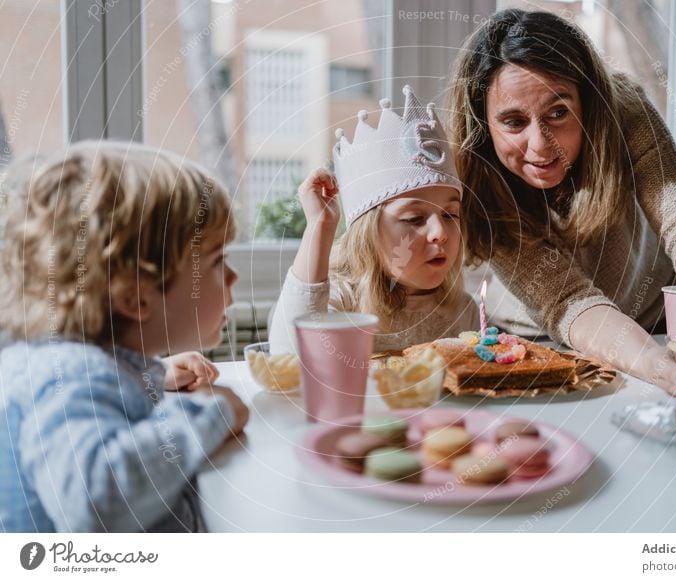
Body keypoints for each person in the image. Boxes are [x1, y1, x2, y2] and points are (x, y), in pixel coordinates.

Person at [448, 9, 676, 396]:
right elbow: (569, 302)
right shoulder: (480, 187)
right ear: (483, 124)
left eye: (559, 113)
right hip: (548, 346)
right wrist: (656, 367)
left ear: (589, 103)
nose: (541, 146)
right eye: (514, 122)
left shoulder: (625, 112)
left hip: (664, 328)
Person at [0, 141, 249, 532]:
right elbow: (95, 498)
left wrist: (152, 375)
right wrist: (209, 413)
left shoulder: (81, 365)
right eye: (217, 261)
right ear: (134, 296)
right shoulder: (67, 375)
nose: (233, 277)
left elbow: (100, 394)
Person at [269, 86, 479, 354]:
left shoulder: (462, 311)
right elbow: (287, 355)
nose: (440, 232)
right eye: (415, 218)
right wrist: (319, 227)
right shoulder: (343, 300)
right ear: (367, 234)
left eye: (450, 214)